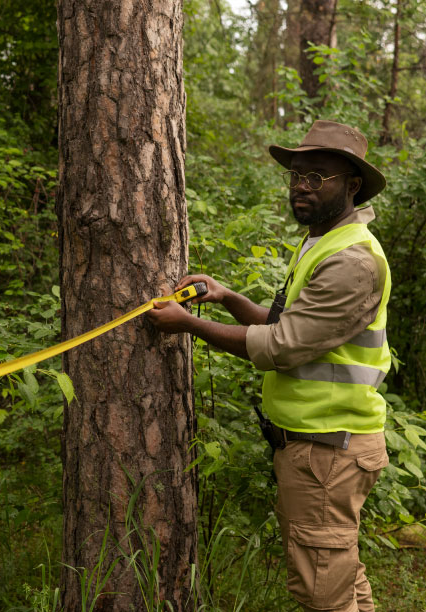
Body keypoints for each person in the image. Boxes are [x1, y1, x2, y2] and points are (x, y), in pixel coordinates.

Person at [150, 120, 392, 612]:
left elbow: (283, 346)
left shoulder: (352, 260)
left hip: (329, 450)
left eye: (318, 176)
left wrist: (188, 326)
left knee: (323, 592)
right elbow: (289, 325)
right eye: (297, 175)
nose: (302, 185)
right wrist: (226, 297)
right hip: (318, 447)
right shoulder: (319, 242)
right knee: (340, 578)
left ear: (352, 185)